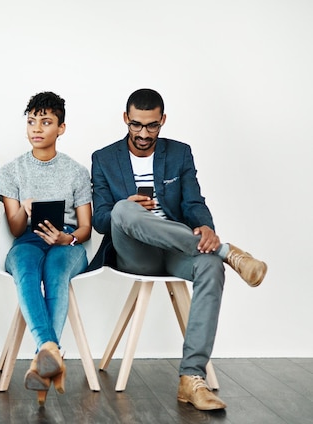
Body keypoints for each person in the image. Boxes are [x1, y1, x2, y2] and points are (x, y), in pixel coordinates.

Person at [90, 88, 268, 411]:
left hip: (176, 250)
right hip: (135, 253)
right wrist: (126, 206)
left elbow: (193, 203)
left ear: (163, 121)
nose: (144, 134)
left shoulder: (180, 153)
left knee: (210, 267)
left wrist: (206, 228)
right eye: (137, 125)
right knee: (122, 210)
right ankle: (228, 251)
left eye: (152, 126)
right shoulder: (103, 158)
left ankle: (191, 378)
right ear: (125, 119)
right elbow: (101, 219)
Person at [0, 92, 92, 406]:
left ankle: (44, 355)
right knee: (24, 267)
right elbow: (14, 228)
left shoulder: (76, 172)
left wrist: (68, 239)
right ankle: (49, 349)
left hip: (67, 241)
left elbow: (85, 228)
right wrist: (24, 209)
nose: (37, 128)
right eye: (31, 122)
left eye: (46, 122)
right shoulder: (12, 171)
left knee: (55, 270)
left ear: (61, 128)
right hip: (28, 238)